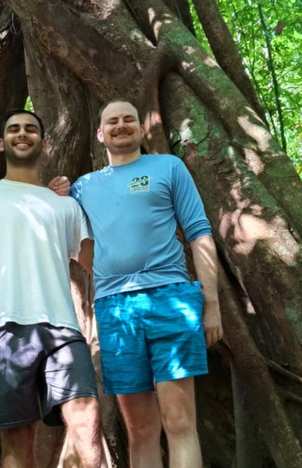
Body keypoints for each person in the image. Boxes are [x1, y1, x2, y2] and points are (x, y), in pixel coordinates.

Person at [70, 99, 223, 468]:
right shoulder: (83, 187)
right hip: (114, 309)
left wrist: (211, 303)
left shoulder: (167, 167)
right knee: (139, 428)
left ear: (141, 129)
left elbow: (199, 232)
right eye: (113, 121)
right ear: (100, 133)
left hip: (170, 299)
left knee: (180, 420)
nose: (121, 126)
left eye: (129, 120)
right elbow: (75, 245)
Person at [0, 109, 102, 468]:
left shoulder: (65, 204)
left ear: (44, 142)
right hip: (2, 329)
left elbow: (97, 265)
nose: (21, 134)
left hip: (63, 327)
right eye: (13, 129)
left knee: (86, 420)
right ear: (0, 143)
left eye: (30, 129)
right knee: (17, 440)